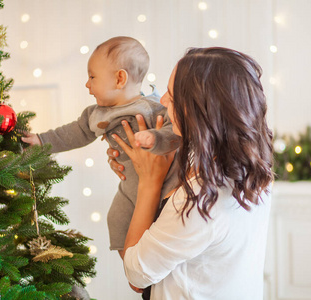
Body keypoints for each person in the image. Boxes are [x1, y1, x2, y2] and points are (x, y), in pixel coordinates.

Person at [109, 47, 274, 299]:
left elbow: (136, 275)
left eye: (172, 97)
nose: (162, 100)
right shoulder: (252, 168)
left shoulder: (200, 199)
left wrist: (148, 184)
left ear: (200, 110)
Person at [21, 36, 180, 253]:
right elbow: (75, 132)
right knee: (115, 218)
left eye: (92, 77)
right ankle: (131, 262)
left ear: (119, 79)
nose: (87, 84)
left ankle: (151, 264)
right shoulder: (96, 114)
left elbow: (174, 132)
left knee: (165, 223)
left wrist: (156, 138)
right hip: (129, 186)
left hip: (165, 185)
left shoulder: (151, 108)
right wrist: (42, 140)